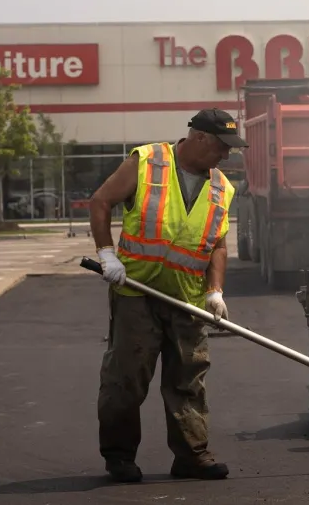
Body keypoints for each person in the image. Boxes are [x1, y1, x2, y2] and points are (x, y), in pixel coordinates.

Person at [87, 108, 244, 483]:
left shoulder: (222, 187)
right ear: (200, 137)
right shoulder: (146, 162)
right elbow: (100, 201)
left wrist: (215, 291)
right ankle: (119, 457)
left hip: (187, 299)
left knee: (188, 381)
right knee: (126, 379)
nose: (226, 155)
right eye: (222, 146)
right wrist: (106, 253)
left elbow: (218, 246)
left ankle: (192, 456)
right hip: (136, 292)